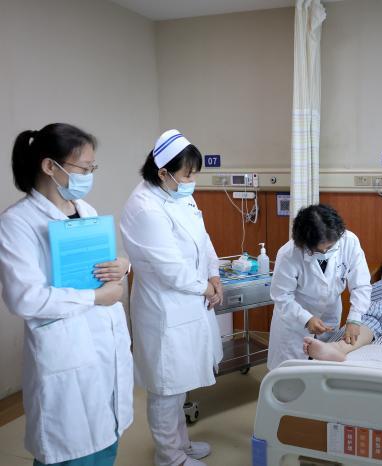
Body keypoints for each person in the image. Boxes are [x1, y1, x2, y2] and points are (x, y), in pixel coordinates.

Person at [0, 124, 133, 465]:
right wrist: (95, 299)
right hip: (65, 350)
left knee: (106, 437)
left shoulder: (86, 210)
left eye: (92, 168)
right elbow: (24, 297)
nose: (89, 176)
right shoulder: (17, 223)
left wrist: (121, 265)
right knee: (71, 448)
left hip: (104, 344)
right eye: (84, 168)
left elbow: (101, 269)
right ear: (50, 166)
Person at [120, 130, 223, 466]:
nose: (192, 181)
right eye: (187, 175)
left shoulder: (177, 194)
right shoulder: (144, 208)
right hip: (163, 309)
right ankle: (170, 457)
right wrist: (205, 288)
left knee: (180, 383)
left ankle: (181, 444)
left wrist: (214, 274)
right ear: (163, 172)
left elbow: (203, 238)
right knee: (166, 387)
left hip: (189, 301)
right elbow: (171, 268)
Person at [267, 204, 372, 370]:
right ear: (304, 243)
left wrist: (354, 318)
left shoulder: (349, 242)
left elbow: (361, 284)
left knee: (323, 369)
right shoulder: (289, 254)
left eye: (330, 247)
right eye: (318, 250)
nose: (325, 253)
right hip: (294, 323)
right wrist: (306, 319)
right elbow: (281, 296)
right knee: (290, 373)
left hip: (329, 315)